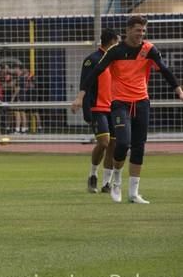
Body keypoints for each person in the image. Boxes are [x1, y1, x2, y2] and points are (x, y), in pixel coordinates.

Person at [72, 16, 183, 204]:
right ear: (129, 30)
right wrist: (80, 96)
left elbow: (164, 69)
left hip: (142, 102)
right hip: (120, 104)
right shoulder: (115, 51)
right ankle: (116, 181)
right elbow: (95, 72)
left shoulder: (149, 49)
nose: (141, 34)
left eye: (144, 31)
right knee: (122, 143)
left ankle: (133, 193)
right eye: (138, 30)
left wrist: (178, 89)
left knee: (139, 147)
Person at [79, 29, 119, 194]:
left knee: (113, 145)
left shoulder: (116, 61)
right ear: (111, 42)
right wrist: (85, 109)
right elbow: (85, 85)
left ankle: (106, 183)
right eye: (118, 41)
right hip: (97, 108)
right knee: (103, 142)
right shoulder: (92, 60)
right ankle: (93, 175)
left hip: (115, 108)